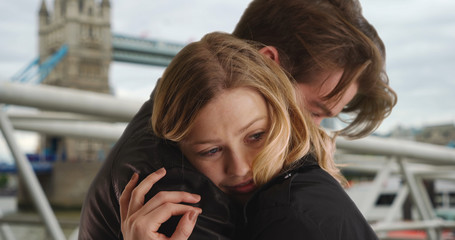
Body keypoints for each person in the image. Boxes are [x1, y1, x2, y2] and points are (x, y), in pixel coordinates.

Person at [78, 0, 396, 239]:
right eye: (313, 112)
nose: (315, 132)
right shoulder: (172, 187)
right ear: (269, 68)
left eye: (256, 135)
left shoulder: (186, 110)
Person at [120, 32, 375, 239]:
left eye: (256, 136)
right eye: (211, 151)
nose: (240, 168)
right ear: (177, 150)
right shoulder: (298, 191)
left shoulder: (289, 219)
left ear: (285, 117)